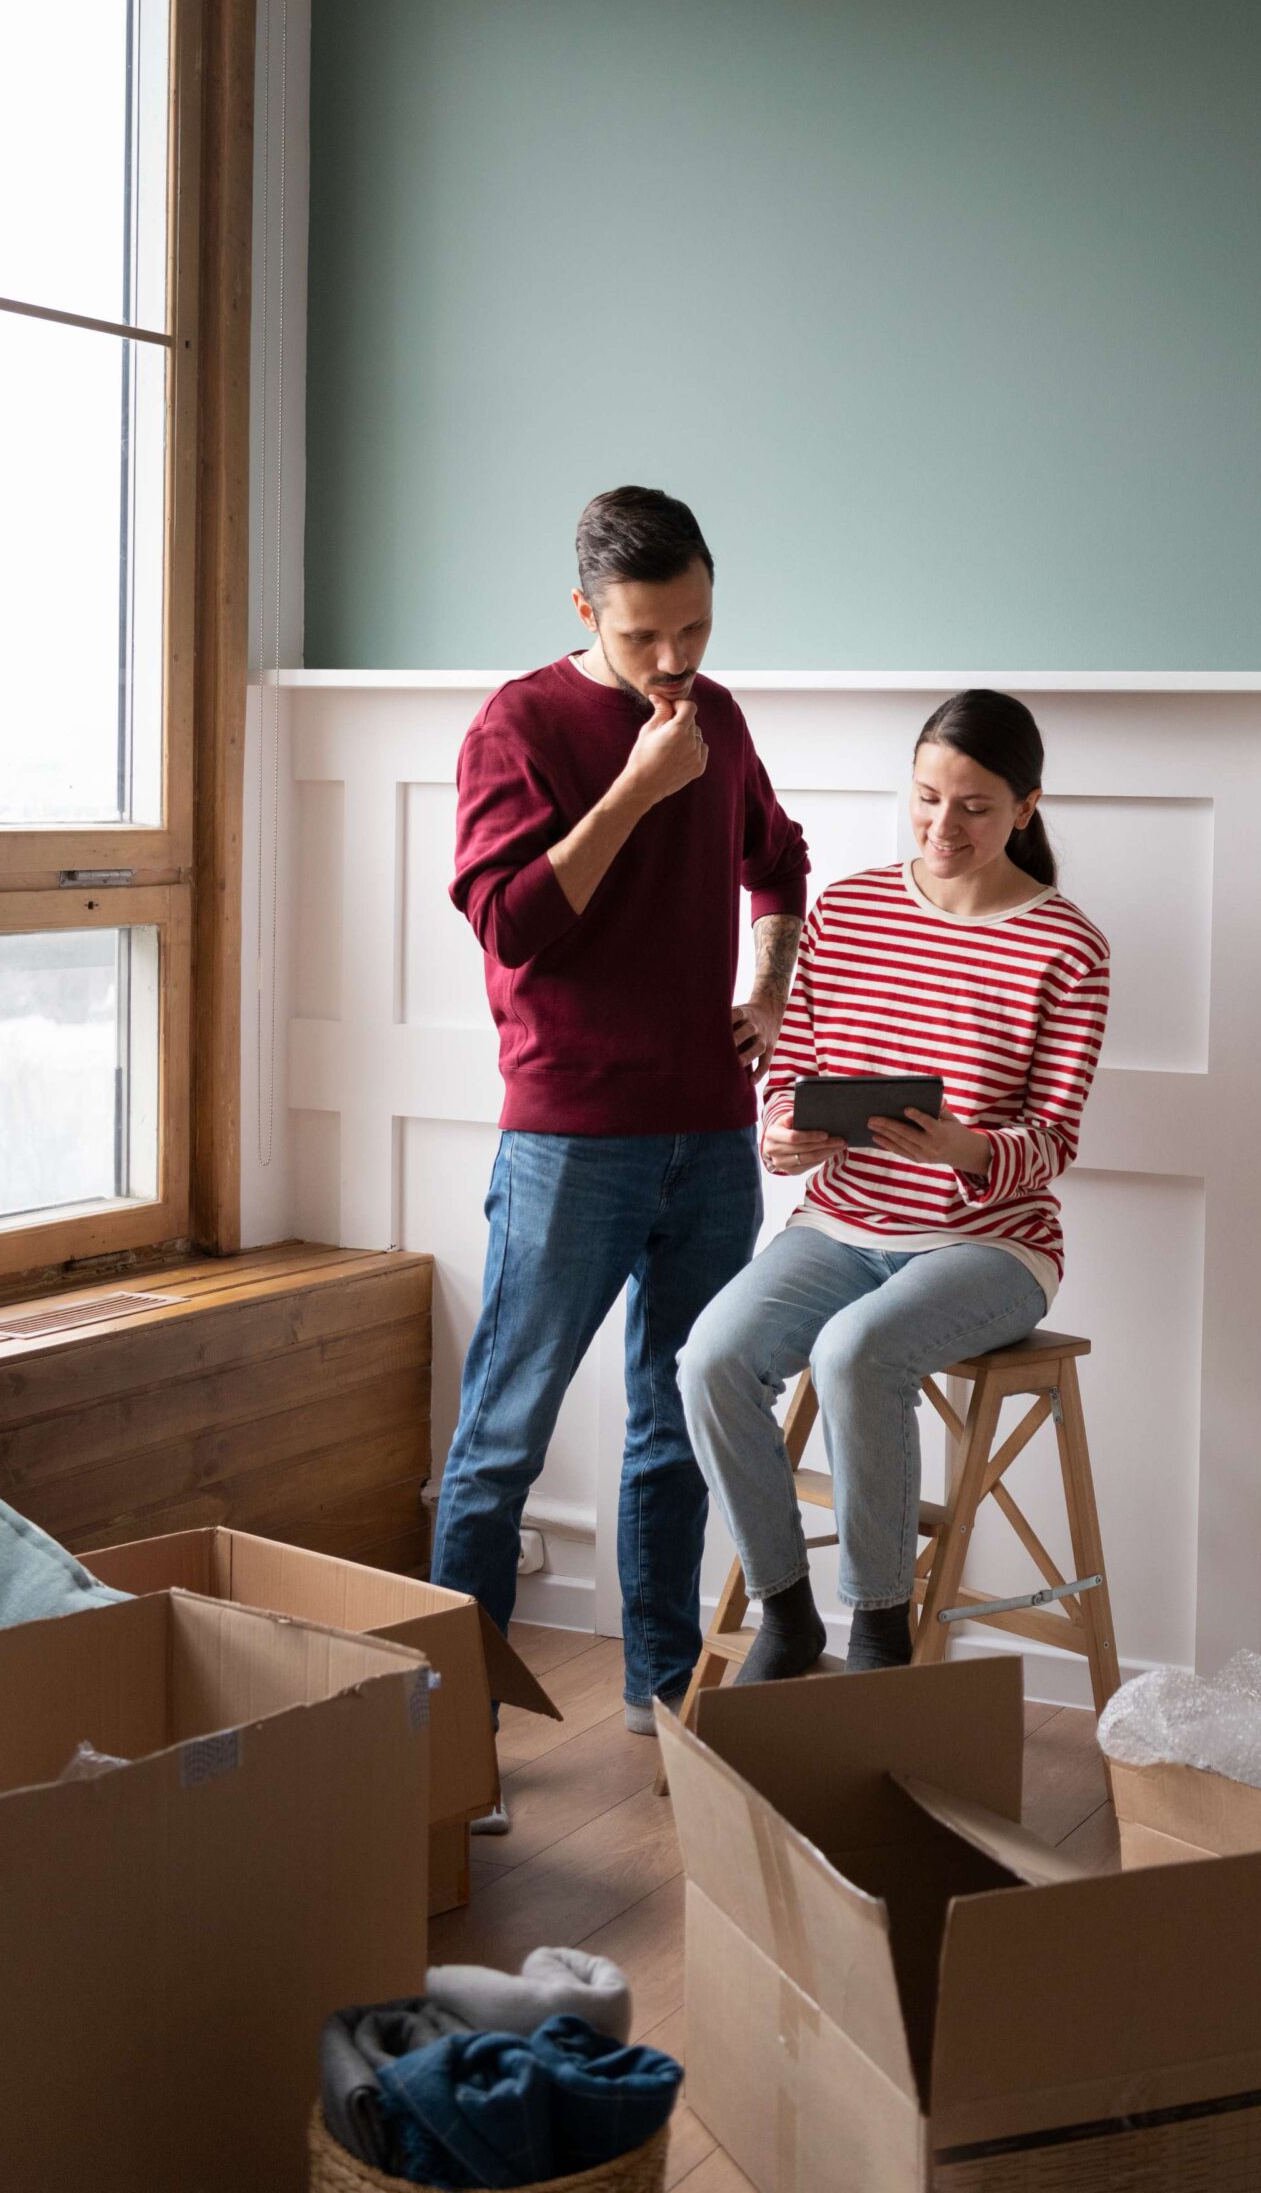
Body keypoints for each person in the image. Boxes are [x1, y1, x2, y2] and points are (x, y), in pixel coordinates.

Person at [432, 486, 809, 1742]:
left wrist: (764, 987)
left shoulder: (721, 716)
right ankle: (445, 1744)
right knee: (501, 1441)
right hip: (567, 1140)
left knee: (674, 1430)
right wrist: (640, 788)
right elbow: (512, 924)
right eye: (645, 634)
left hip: (708, 1135)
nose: (673, 662)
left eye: (694, 629)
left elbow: (778, 860)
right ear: (585, 608)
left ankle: (658, 1690)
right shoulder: (520, 724)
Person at [677, 689, 1109, 1681]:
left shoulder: (1065, 946)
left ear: (1024, 809)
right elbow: (797, 1063)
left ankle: (877, 1636)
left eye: (972, 806)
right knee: (707, 1360)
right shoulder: (852, 907)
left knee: (855, 1352)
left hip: (990, 1248)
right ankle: (784, 1614)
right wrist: (785, 1131)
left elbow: (1051, 1140)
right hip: (840, 1222)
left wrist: (967, 1152)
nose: (941, 826)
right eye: (924, 798)